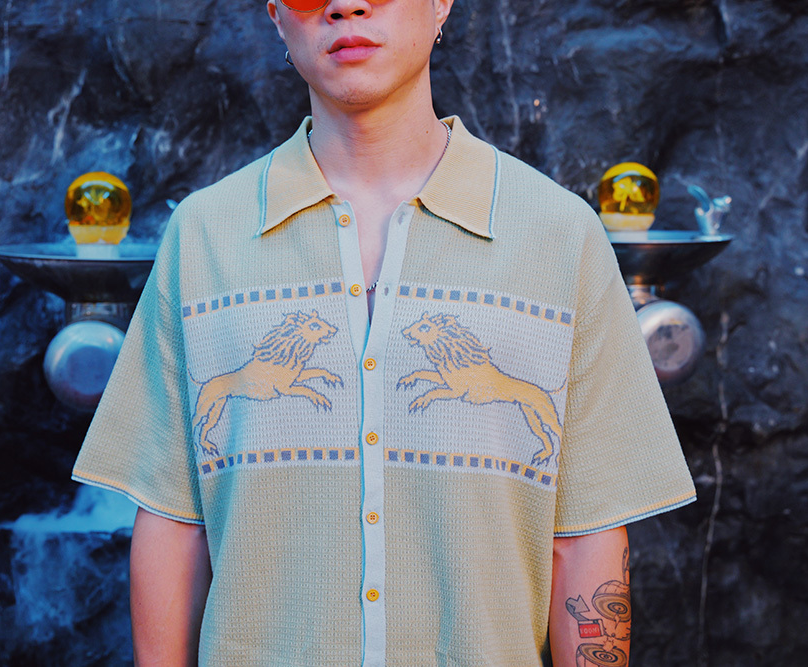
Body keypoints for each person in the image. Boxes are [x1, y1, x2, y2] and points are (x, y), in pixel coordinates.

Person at [72, 0, 697, 664]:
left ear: (441, 4)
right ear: (277, 15)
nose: (346, 4)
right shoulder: (203, 237)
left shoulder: (561, 237)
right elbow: (174, 525)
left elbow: (586, 537)